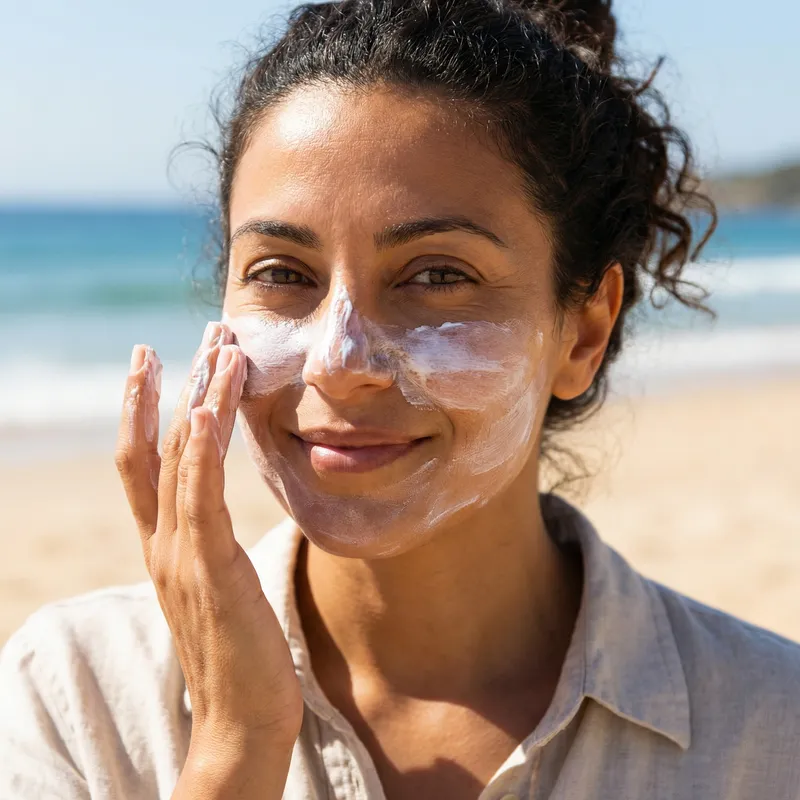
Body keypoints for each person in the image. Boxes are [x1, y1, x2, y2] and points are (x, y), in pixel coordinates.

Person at [2, 0, 799, 797]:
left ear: (584, 333)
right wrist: (236, 744)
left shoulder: (772, 728)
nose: (337, 363)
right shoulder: (74, 698)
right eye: (282, 273)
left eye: (438, 275)